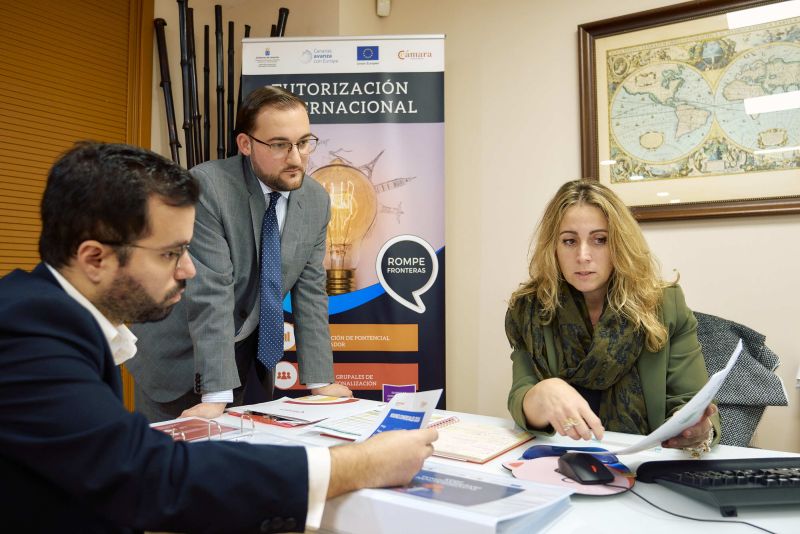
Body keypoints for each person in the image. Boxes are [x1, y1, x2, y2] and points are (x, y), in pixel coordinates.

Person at [0, 142, 437, 533]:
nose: (188, 269)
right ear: (95, 259)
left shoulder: (54, 319)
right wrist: (360, 464)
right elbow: (146, 477)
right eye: (171, 253)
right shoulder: (27, 332)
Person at [128, 86, 351, 423]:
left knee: (231, 453)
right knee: (167, 455)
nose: (296, 158)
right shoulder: (208, 187)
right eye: (279, 145)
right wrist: (216, 395)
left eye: (304, 142)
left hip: (239, 358)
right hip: (177, 357)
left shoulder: (315, 200)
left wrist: (321, 382)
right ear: (246, 144)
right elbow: (211, 292)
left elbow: (310, 293)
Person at [506, 180, 720, 454]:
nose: (583, 256)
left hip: (645, 463)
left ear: (620, 243)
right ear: (553, 247)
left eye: (600, 240)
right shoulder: (529, 309)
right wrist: (541, 393)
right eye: (569, 241)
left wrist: (697, 428)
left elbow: (692, 401)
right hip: (560, 461)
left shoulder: (665, 304)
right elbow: (521, 398)